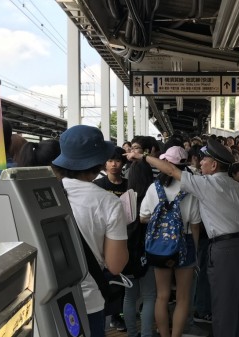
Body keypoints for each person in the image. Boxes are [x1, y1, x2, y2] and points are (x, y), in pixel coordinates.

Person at [127, 139, 239, 337]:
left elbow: (171, 172)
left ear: (214, 165)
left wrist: (143, 156)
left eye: (204, 159)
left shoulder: (205, 185)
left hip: (223, 249)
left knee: (223, 304)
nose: (199, 163)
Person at [52, 125, 129, 336]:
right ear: (99, 161)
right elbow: (115, 265)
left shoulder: (47, 192)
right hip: (88, 299)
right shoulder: (109, 202)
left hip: (49, 299)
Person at [139, 146, 201, 337]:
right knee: (182, 298)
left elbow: (142, 217)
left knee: (162, 296)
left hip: (160, 245)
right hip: (186, 243)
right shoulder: (190, 189)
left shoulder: (154, 188)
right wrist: (195, 252)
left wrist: (160, 220)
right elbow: (195, 225)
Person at [92, 146, 128, 331]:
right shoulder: (97, 186)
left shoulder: (128, 185)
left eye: (117, 160)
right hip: (102, 240)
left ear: (123, 162)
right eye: (110, 160)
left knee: (120, 281)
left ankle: (118, 314)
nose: (114, 164)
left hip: (124, 237)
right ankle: (107, 313)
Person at [122, 160, 157, 337]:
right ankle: (147, 334)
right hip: (148, 253)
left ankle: (132, 333)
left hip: (127, 254)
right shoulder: (151, 198)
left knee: (129, 296)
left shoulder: (125, 199)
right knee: (150, 296)